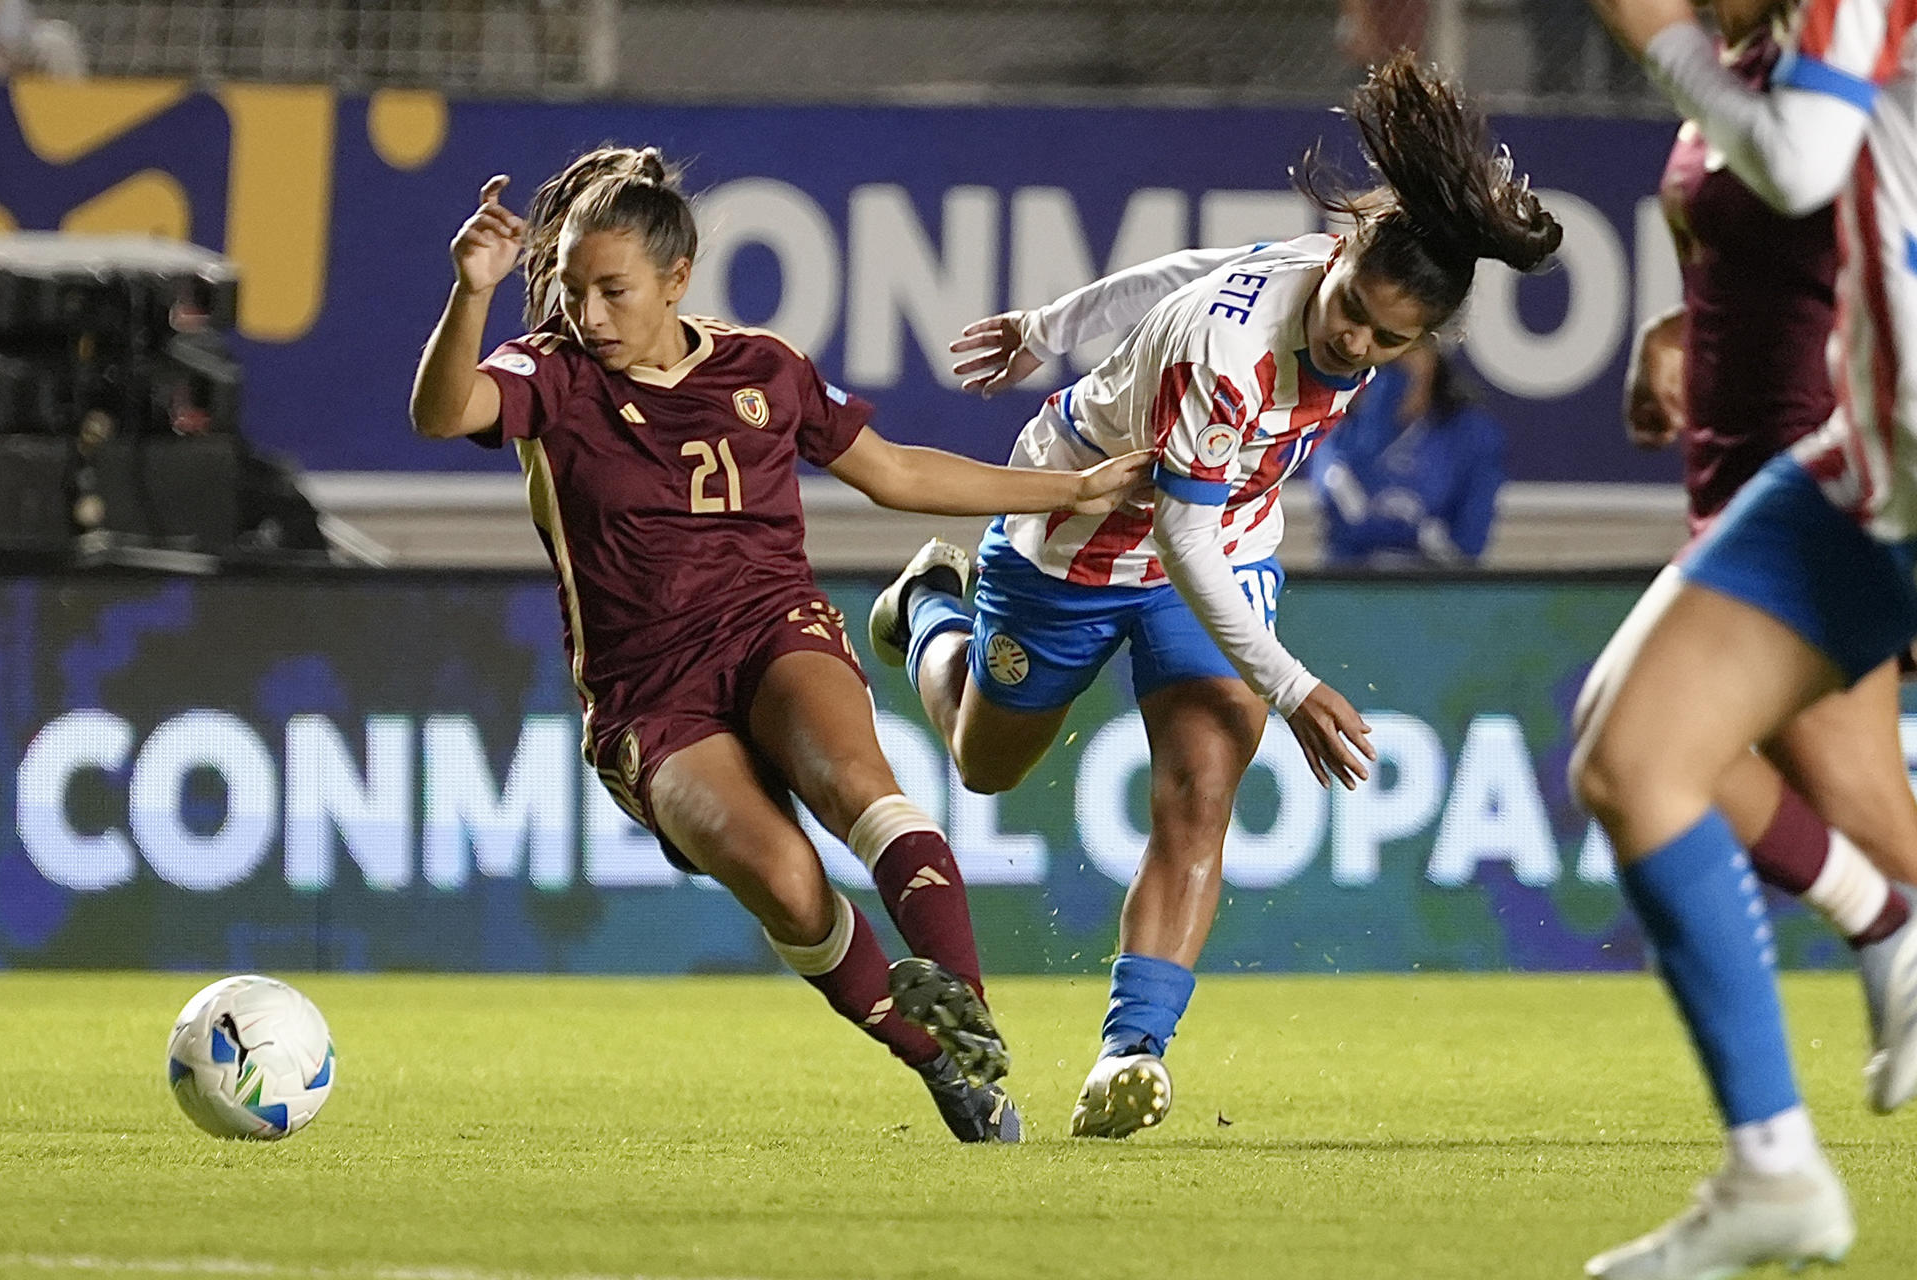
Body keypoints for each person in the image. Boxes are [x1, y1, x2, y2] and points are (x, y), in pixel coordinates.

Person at [867, 53, 1561, 1139]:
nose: (1357, 343)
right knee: (984, 763)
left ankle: (1129, 1053)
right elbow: (1175, 528)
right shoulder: (1231, 358)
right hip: (1084, 534)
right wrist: (1291, 685)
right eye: (1353, 314)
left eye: (1388, 339)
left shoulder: (1320, 271)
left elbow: (1185, 268)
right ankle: (928, 610)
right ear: (1342, 258)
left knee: (1200, 791)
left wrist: (1050, 325)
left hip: (1223, 543)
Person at [406, 145, 1150, 1144]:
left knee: (858, 787)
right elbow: (443, 411)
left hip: (771, 628)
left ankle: (968, 1017)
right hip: (648, 693)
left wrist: (1074, 488)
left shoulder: (764, 367)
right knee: (793, 887)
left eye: (614, 290)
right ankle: (938, 1060)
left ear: (677, 278)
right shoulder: (550, 374)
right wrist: (471, 292)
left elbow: (896, 473)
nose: (590, 313)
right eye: (576, 290)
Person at [1573, 0, 1917, 1270]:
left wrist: (1657, 35)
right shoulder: (1776, 49)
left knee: (1836, 783)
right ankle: (1774, 1167)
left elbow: (1804, 164)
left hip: (1851, 440)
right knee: (1635, 747)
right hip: (1874, 462)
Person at [1308, 338, 1505, 567]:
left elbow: (1468, 543)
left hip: (1437, 582)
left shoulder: (1473, 433)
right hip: (1351, 578)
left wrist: (1421, 534)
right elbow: (1340, 509)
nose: (1399, 361)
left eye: (1412, 347)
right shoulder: (1340, 425)